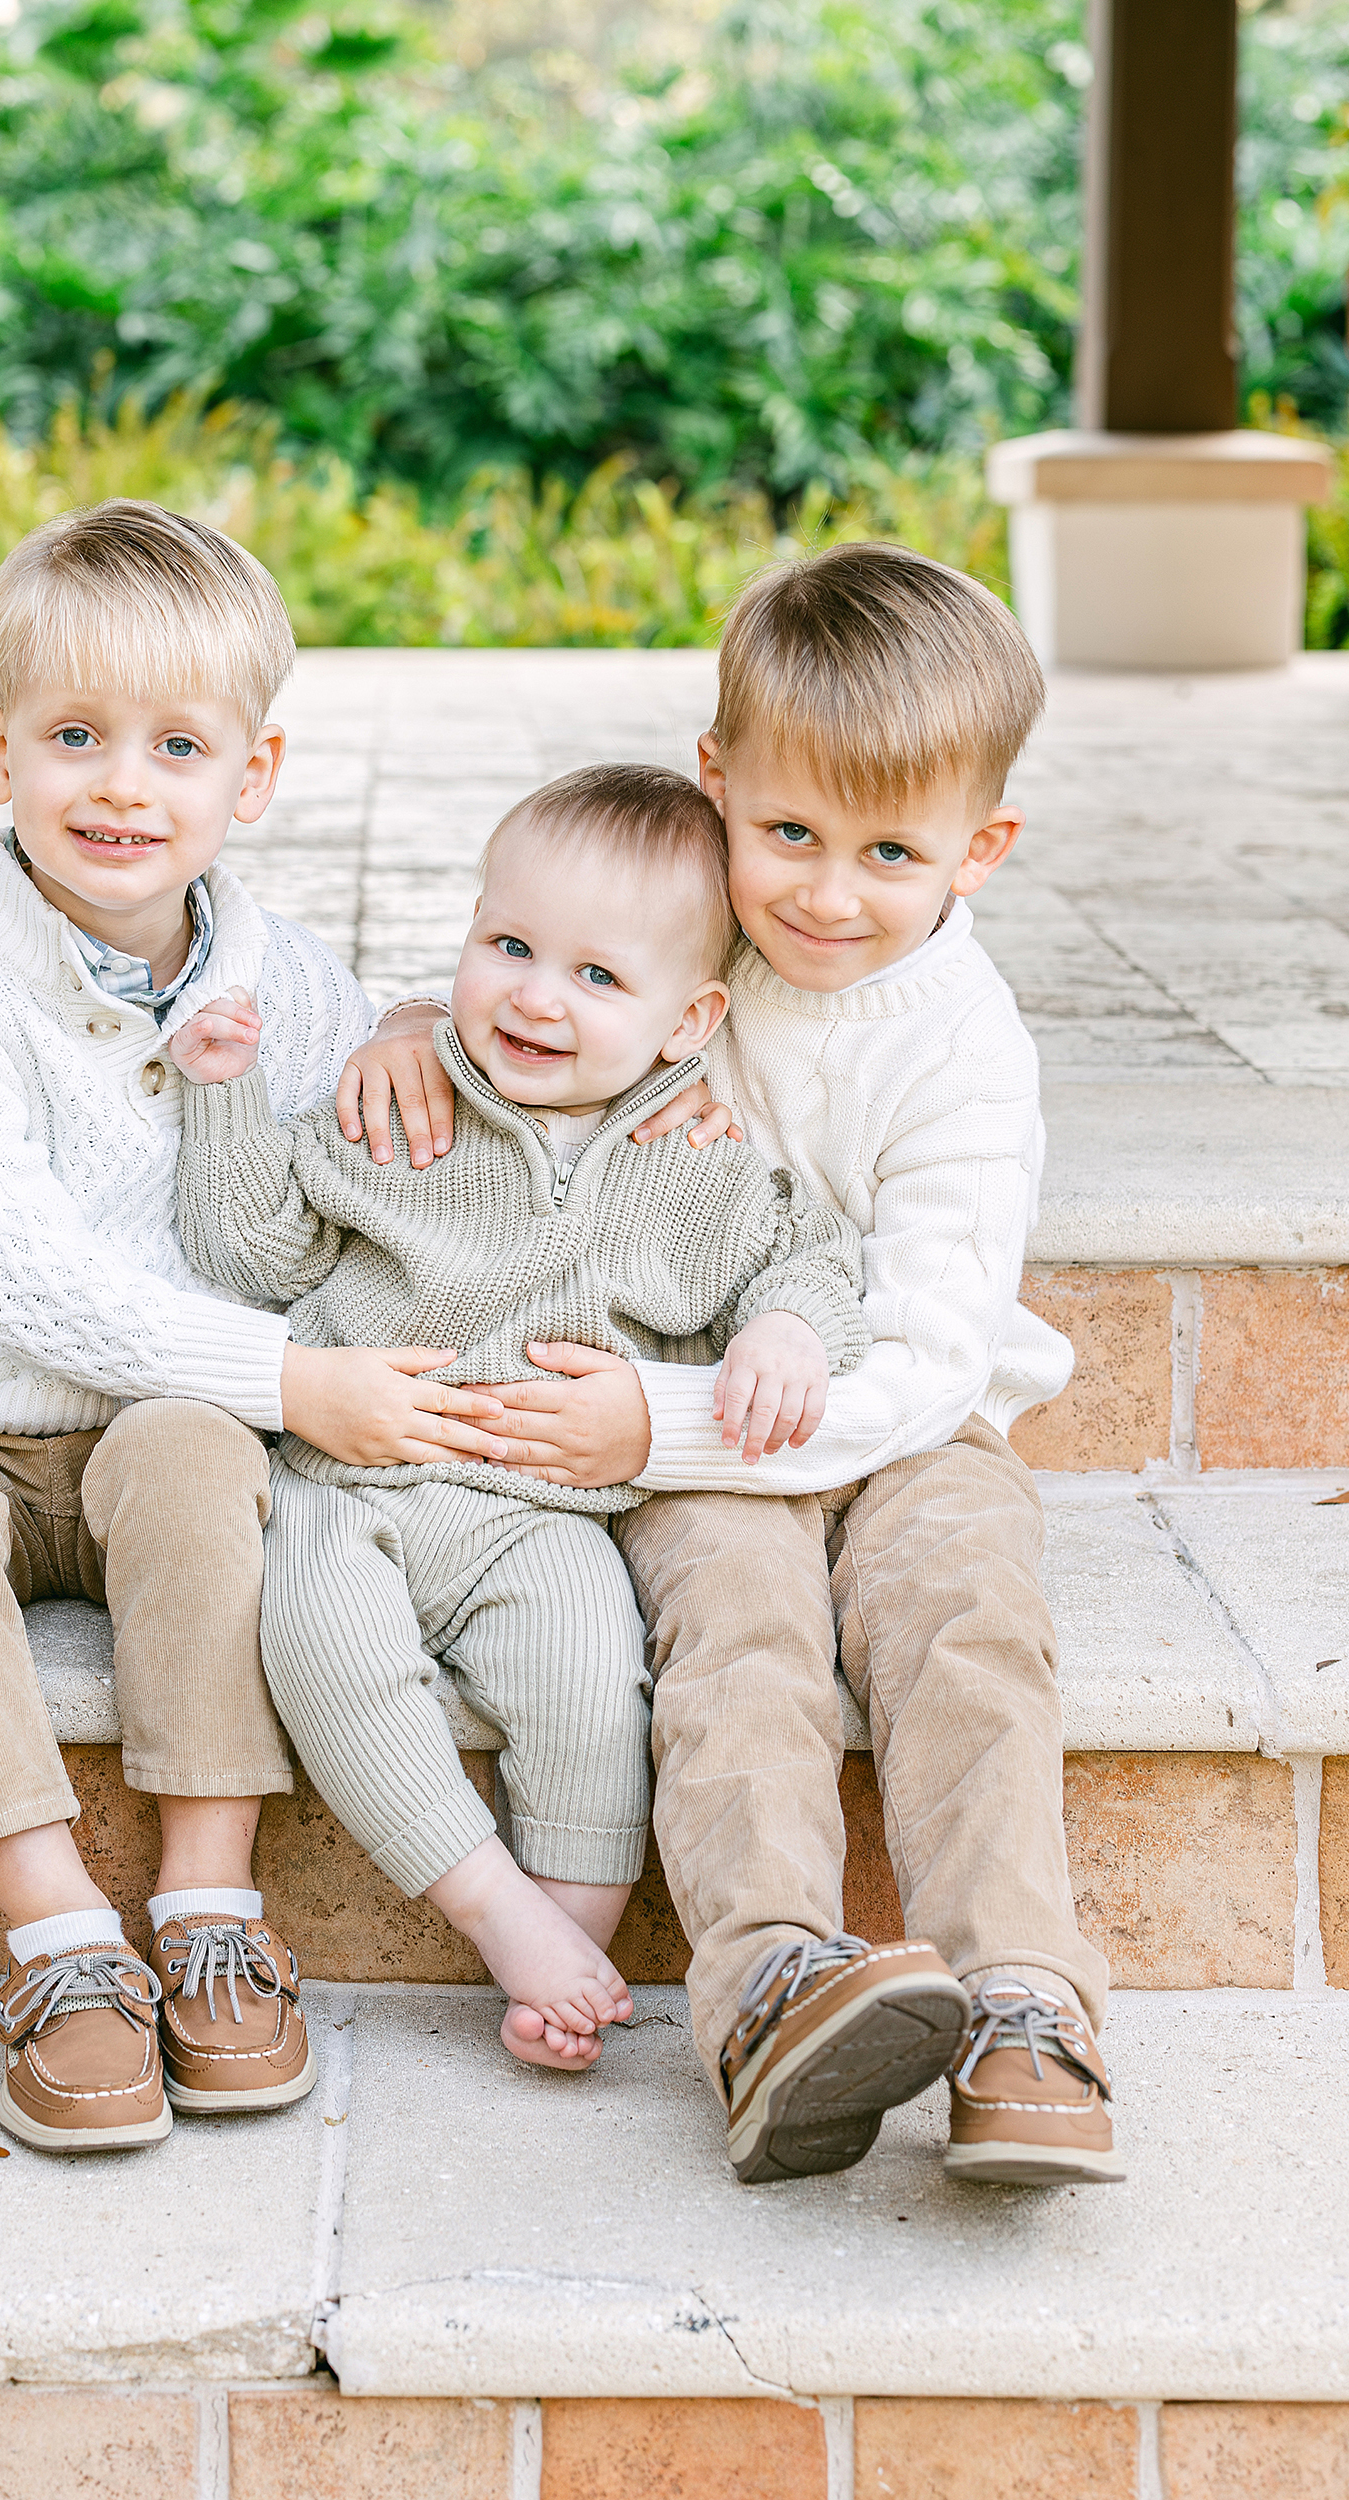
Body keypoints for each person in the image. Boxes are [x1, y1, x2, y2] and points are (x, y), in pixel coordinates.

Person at [344, 544, 1119, 2186]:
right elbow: (540, 967)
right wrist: (415, 1019)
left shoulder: (963, 1051)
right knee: (736, 1633)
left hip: (897, 1415)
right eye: (787, 837)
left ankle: (1024, 2007)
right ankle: (769, 1981)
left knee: (968, 1623)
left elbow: (924, 1349)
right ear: (719, 789)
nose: (826, 894)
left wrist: (663, 1421)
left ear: (979, 848)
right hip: (689, 1413)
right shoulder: (705, 936)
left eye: (889, 852)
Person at [0, 499, 520, 2152]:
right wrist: (295, 1377)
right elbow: (22, 1280)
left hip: (166, 1433)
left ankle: (208, 1905)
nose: (122, 785)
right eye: (73, 736)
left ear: (249, 780)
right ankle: (57, 1932)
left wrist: (423, 1019)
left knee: (206, 1461)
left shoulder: (290, 976)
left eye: (177, 745)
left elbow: (425, 1110)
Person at [168, 763, 870, 2069]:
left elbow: (812, 1258)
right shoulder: (401, 1097)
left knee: (594, 1684)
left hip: (535, 1515)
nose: (538, 996)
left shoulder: (693, 1160)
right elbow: (251, 1258)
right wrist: (220, 1100)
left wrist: (783, 1329)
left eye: (599, 978)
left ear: (686, 1020)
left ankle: (570, 1947)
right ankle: (495, 1915)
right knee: (319, 1644)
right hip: (345, 1483)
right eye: (509, 946)